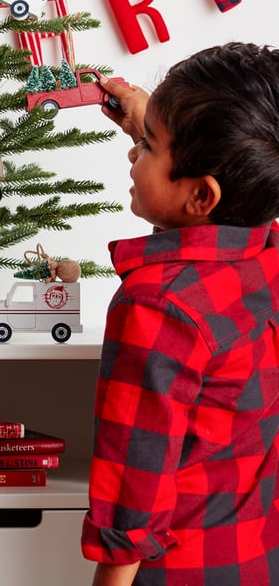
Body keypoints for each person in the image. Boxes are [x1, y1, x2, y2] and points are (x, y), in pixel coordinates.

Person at [80, 42, 279, 585]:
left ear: (201, 196)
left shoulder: (155, 308)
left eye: (146, 147)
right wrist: (159, 126)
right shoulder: (264, 251)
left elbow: (132, 490)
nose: (131, 155)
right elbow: (204, 235)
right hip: (252, 561)